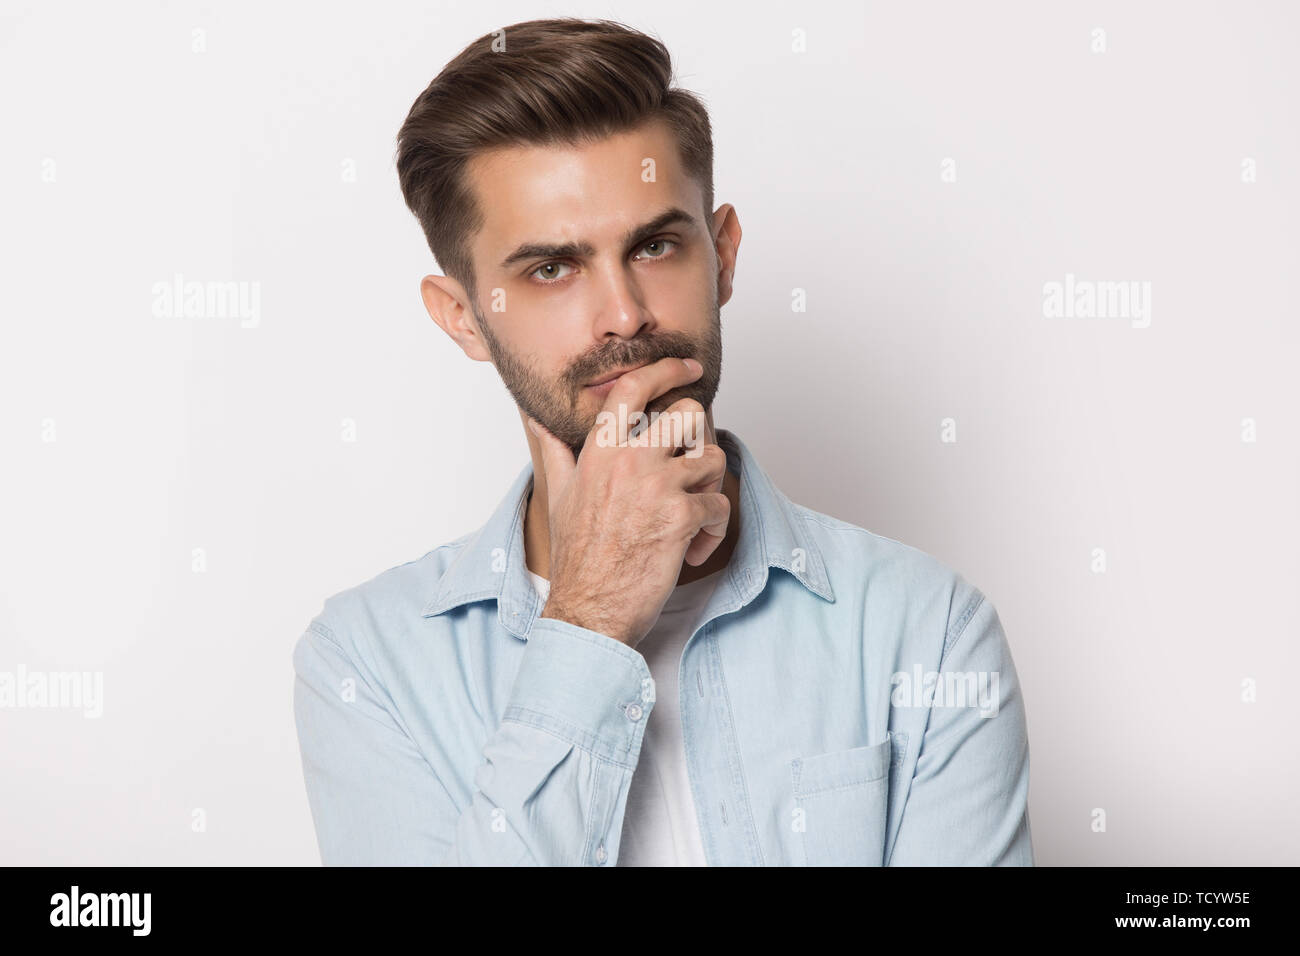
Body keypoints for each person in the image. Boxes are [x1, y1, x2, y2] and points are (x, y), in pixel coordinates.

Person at [292, 16, 1033, 866]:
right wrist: (590, 621)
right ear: (462, 316)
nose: (624, 314)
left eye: (653, 245)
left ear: (721, 254)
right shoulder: (369, 666)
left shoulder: (926, 629)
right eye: (551, 269)